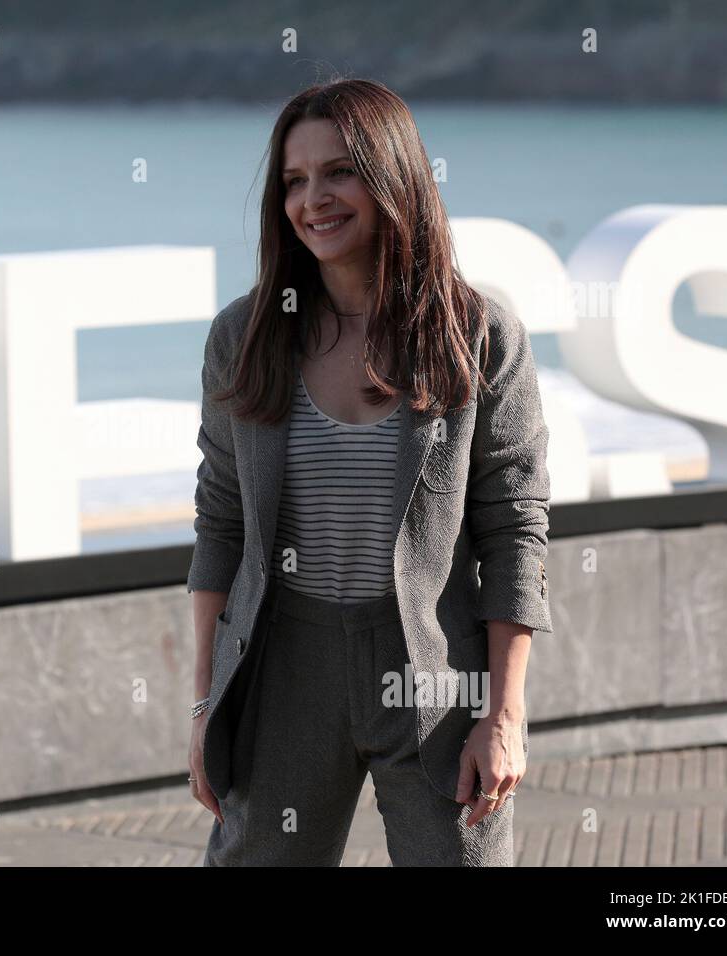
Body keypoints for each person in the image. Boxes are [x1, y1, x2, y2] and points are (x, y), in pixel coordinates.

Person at [186, 77, 554, 866]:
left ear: (394, 176)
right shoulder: (247, 336)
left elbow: (513, 529)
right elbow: (220, 527)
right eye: (294, 180)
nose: (312, 199)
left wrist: (503, 714)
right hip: (283, 670)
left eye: (339, 171)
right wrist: (203, 705)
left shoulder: (478, 333)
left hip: (433, 672)